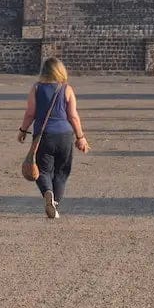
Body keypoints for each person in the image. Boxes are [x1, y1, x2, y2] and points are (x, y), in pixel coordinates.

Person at [17, 58, 90, 219]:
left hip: (43, 136)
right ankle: (55, 202)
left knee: (43, 170)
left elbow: (30, 113)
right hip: (64, 136)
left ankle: (47, 193)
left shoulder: (36, 88)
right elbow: (73, 116)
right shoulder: (67, 89)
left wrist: (23, 130)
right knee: (61, 172)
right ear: (61, 71)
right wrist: (81, 137)